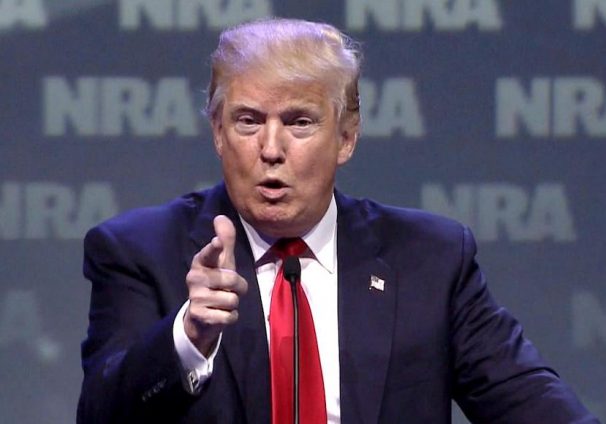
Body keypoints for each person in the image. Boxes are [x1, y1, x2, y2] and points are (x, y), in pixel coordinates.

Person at [77, 18, 598, 424]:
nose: (271, 149)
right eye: (248, 121)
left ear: (346, 137)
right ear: (217, 131)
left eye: (299, 122)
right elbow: (100, 414)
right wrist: (187, 339)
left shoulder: (430, 260)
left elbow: (530, 403)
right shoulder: (138, 251)